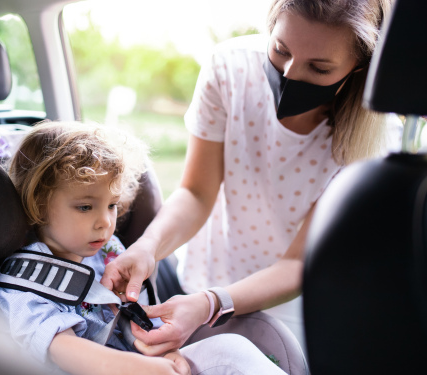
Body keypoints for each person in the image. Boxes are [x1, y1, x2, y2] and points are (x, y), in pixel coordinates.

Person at [100, 0, 400, 355]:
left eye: (319, 68)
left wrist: (212, 304)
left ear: (359, 67)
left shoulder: (376, 140)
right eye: (280, 49)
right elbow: (197, 194)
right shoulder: (229, 69)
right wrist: (148, 248)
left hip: (285, 313)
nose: (289, 73)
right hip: (197, 278)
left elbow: (296, 263)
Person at [0, 121, 287, 375]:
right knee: (229, 356)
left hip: (139, 362)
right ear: (39, 205)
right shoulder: (25, 282)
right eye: (85, 207)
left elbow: (127, 317)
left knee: (237, 350)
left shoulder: (106, 251)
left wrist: (159, 351)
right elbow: (61, 346)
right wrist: (137, 368)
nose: (104, 222)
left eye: (111, 205)